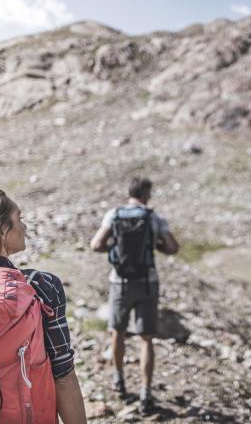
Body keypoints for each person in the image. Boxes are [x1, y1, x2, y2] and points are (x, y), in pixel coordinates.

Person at [0, 183, 86, 424]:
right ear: (1, 231)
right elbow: (63, 375)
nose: (24, 227)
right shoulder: (39, 286)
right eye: (19, 218)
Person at [90, 176, 179, 413]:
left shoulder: (114, 214)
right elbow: (173, 247)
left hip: (119, 282)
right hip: (147, 283)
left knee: (117, 332)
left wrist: (116, 248)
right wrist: (154, 246)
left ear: (129, 192)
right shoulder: (154, 217)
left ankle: (119, 380)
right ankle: (145, 392)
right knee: (146, 338)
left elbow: (95, 245)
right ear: (146, 194)